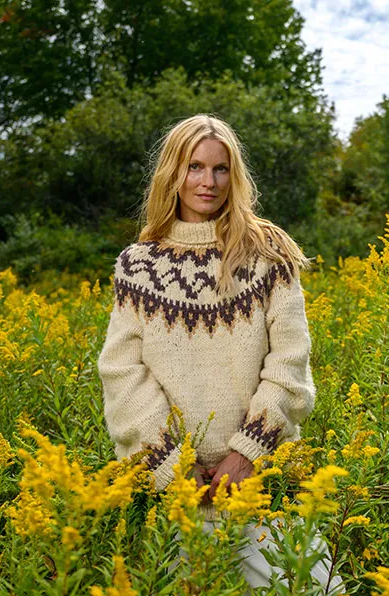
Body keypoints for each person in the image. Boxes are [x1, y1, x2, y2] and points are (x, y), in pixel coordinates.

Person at [97, 114, 338, 590]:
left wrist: (246, 454)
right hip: (178, 496)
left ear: (235, 176)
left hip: (265, 484)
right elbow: (122, 373)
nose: (208, 181)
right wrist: (173, 465)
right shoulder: (137, 266)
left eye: (221, 169)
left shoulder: (268, 254)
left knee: (315, 588)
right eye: (195, 167)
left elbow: (290, 363)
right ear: (173, 173)